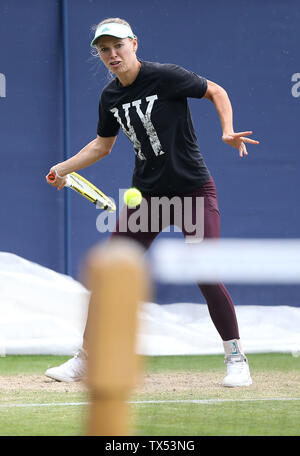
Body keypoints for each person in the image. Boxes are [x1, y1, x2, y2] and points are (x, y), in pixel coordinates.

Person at [45, 17, 259, 387]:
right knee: (110, 276)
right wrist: (61, 168)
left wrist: (226, 130)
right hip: (147, 197)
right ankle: (87, 359)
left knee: (206, 273)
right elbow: (102, 145)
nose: (112, 54)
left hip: (192, 190)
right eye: (104, 49)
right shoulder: (110, 97)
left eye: (118, 46)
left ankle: (236, 358)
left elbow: (216, 91)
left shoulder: (166, 76)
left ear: (134, 44)